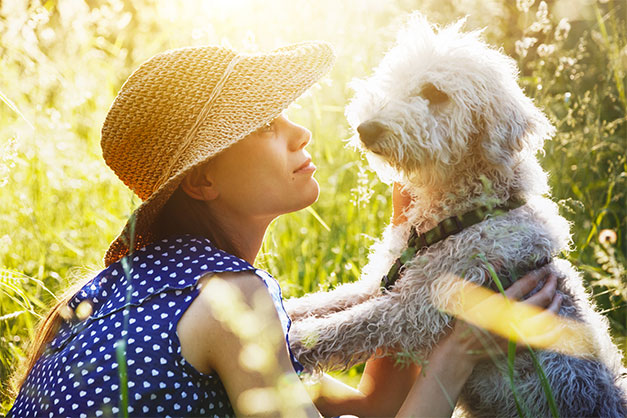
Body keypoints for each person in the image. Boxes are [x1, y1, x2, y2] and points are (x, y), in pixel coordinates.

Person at [8, 41, 561, 417]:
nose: (299, 131)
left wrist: (410, 250)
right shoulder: (233, 302)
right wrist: (457, 352)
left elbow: (370, 409)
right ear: (202, 182)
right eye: (266, 126)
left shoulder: (109, 295)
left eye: (289, 112)